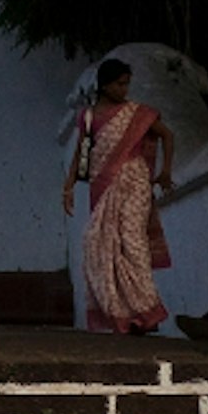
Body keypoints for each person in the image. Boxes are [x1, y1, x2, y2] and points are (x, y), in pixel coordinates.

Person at [67, 57, 174, 332]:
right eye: (119, 84)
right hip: (102, 183)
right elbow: (82, 152)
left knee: (131, 240)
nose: (124, 90)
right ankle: (121, 313)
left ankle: (147, 311)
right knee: (99, 243)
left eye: (127, 84)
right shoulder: (88, 117)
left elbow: (167, 135)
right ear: (104, 85)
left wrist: (165, 171)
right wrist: (68, 186)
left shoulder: (137, 113)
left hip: (134, 180)